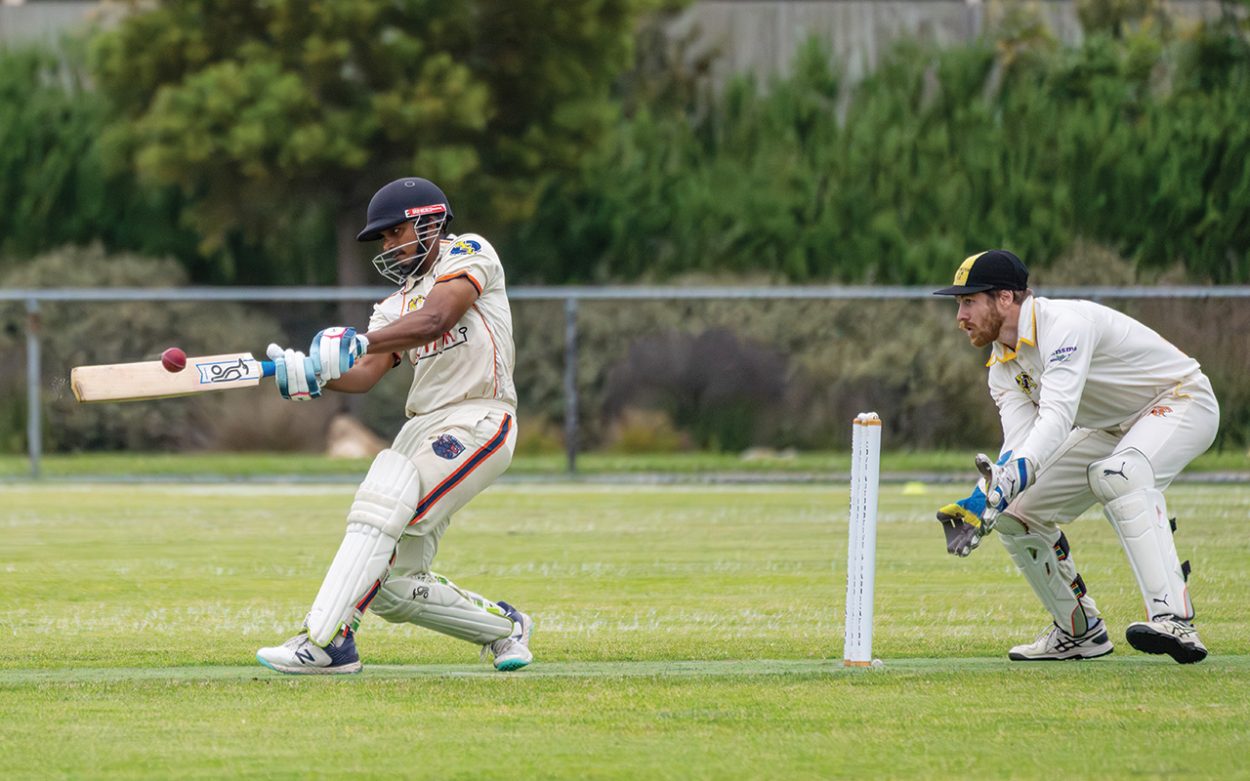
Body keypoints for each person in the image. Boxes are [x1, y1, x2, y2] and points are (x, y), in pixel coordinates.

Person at [256, 176, 532, 674]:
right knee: (393, 586)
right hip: (419, 428)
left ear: (428, 220)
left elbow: (437, 320)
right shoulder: (393, 305)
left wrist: (360, 341)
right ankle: (505, 627)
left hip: (478, 417)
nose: (387, 245)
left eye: (393, 233)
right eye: (382, 238)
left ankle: (327, 641)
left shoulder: (468, 252)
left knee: (381, 513)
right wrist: (315, 375)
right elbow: (364, 374)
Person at [932, 249, 1219, 664]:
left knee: (1120, 474)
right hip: (1109, 426)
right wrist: (985, 496)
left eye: (968, 301)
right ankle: (1078, 632)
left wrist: (1005, 480)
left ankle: (1174, 619)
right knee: (1016, 512)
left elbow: (1057, 418)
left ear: (1006, 299)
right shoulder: (1001, 367)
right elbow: (1021, 443)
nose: (960, 316)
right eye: (959, 303)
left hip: (1180, 399)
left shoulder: (1064, 325)